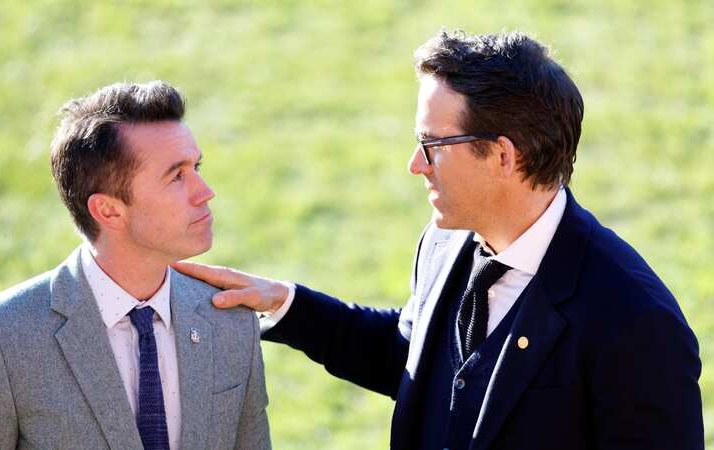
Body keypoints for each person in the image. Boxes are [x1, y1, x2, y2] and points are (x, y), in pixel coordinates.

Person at [173, 30, 704, 449]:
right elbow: (417, 357)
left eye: (432, 145)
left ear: (502, 155)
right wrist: (285, 303)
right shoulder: (447, 242)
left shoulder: (635, 321)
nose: (415, 165)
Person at [0, 81, 270, 450]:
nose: (205, 191)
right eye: (177, 176)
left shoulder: (231, 320)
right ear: (108, 210)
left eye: (196, 167)